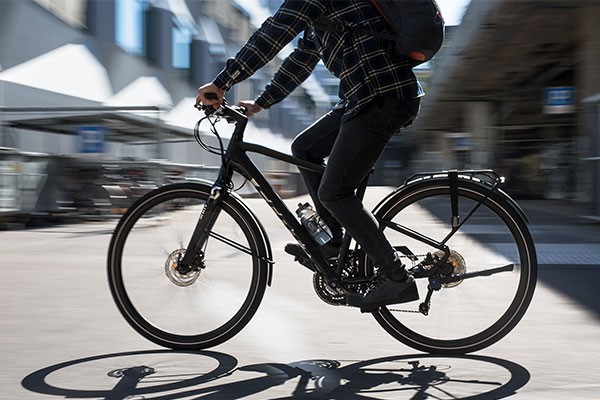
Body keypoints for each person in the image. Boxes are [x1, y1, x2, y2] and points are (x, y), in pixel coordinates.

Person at [196, 0, 422, 312]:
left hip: (382, 95)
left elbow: (273, 34)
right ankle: (331, 242)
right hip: (362, 97)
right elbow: (301, 61)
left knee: (335, 191)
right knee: (305, 148)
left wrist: (222, 82)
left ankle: (396, 277)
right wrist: (261, 103)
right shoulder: (321, 15)